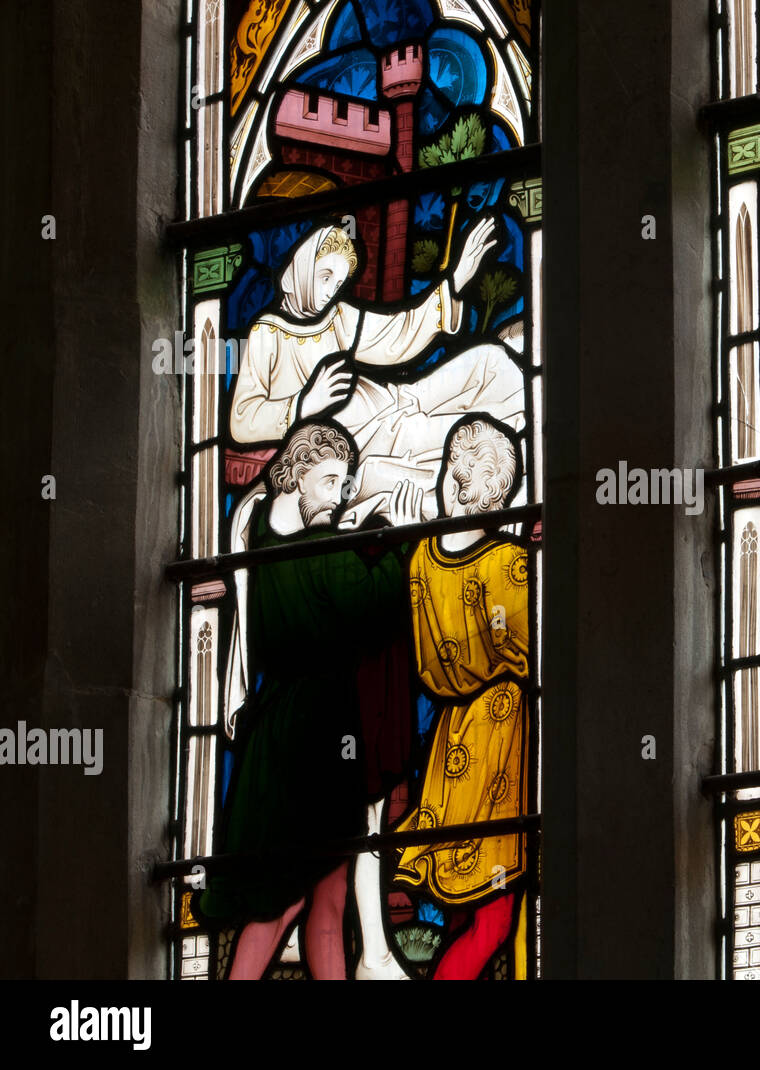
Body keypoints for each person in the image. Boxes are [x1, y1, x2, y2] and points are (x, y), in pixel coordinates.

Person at [199, 423, 423, 979]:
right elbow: (376, 603)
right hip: (316, 735)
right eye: (327, 480)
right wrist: (398, 537)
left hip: (279, 727)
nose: (337, 492)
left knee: (327, 891)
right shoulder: (322, 552)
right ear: (296, 478)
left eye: (343, 481)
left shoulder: (263, 543)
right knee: (292, 897)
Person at [229, 219, 525, 526]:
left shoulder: (338, 316)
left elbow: (397, 336)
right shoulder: (268, 334)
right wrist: (304, 405)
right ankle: (522, 435)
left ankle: (528, 407)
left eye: (338, 283)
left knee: (488, 358)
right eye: (325, 276)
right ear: (301, 270)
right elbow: (241, 420)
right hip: (365, 437)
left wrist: (455, 281)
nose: (329, 292)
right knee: (472, 430)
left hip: (395, 399)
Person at [393, 416, 531, 980]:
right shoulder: (510, 563)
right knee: (494, 919)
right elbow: (531, 651)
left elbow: (430, 663)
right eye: (457, 466)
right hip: (500, 746)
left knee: (465, 908)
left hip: (452, 748)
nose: (458, 478)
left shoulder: (424, 559)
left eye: (469, 469)